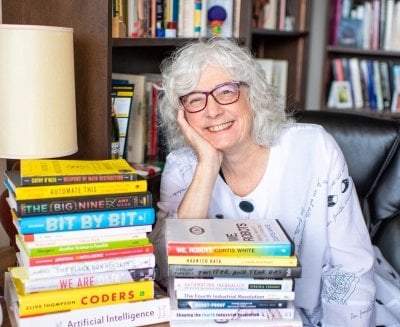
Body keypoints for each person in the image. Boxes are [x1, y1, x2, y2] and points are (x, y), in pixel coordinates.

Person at [148, 38, 397, 326]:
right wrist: (206, 165)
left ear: (252, 95)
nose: (212, 110)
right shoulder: (182, 165)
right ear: (181, 116)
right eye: (194, 99)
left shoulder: (314, 147)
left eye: (226, 92)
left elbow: (350, 268)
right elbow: (167, 271)